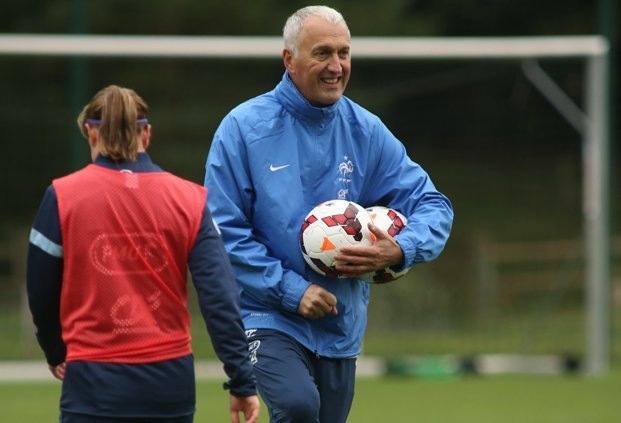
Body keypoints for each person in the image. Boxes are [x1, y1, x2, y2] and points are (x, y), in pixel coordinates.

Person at [204, 5, 453, 423]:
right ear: (290, 59)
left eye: (344, 52)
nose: (335, 66)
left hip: (340, 324)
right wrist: (290, 291)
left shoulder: (366, 130)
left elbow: (433, 205)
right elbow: (221, 229)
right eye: (322, 53)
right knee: (299, 407)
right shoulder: (243, 128)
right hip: (267, 314)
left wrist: (401, 249)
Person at [27, 85, 260, 423]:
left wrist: (54, 350)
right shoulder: (190, 200)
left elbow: (40, 290)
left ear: (91, 133)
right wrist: (241, 378)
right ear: (146, 134)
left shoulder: (62, 196)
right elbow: (219, 298)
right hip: (169, 383)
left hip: (93, 382)